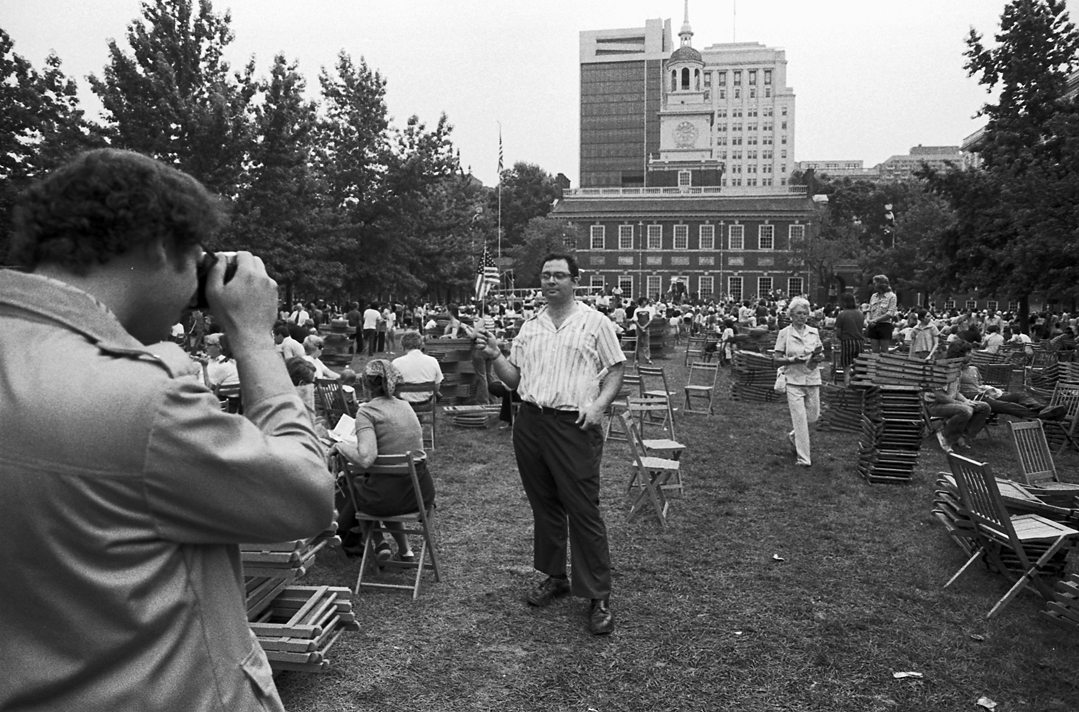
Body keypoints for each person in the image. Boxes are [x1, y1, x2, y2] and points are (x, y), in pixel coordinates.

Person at [0, 149, 333, 711]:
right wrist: (252, 334)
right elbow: (306, 496)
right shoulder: (143, 400)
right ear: (160, 246)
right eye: (196, 261)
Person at [476, 252, 625, 636]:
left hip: (574, 425)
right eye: (545, 276)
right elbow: (514, 378)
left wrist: (599, 405)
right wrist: (495, 356)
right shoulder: (530, 326)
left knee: (583, 509)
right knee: (544, 506)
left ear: (575, 280)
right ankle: (556, 576)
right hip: (531, 423)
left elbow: (616, 370)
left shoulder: (596, 323)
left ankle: (597, 595)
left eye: (559, 275)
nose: (550, 282)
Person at [332, 360, 435, 562]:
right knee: (375, 485)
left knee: (353, 485)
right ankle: (403, 551)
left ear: (365, 385)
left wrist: (340, 447)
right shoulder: (405, 406)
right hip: (420, 493)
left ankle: (373, 541)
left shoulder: (367, 412)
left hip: (387, 498)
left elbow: (366, 458)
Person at [773, 297, 824, 467]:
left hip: (812, 377)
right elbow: (776, 358)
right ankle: (804, 459)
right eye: (799, 313)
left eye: (805, 314)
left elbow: (819, 352)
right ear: (791, 315)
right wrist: (792, 360)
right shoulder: (784, 333)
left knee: (813, 416)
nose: (803, 317)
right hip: (793, 380)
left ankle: (794, 436)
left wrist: (819, 357)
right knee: (800, 420)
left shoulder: (813, 332)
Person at [923, 341, 993, 453]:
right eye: (968, 352)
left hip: (949, 402)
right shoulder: (942, 369)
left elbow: (955, 392)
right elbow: (940, 396)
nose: (972, 354)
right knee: (966, 410)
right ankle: (946, 437)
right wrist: (962, 404)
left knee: (984, 407)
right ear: (959, 355)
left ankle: (963, 436)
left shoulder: (957, 369)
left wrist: (967, 400)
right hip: (936, 405)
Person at [392, 330, 444, 404]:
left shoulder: (396, 363)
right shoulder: (432, 361)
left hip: (404, 405)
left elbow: (391, 386)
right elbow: (437, 386)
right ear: (420, 344)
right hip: (426, 403)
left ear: (403, 346)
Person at [833, 291, 865, 385]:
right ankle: (858, 387)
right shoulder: (860, 314)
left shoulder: (842, 314)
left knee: (846, 368)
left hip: (847, 342)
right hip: (859, 342)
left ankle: (847, 387)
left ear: (844, 302)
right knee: (858, 368)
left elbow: (838, 333)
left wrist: (842, 339)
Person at [866, 274, 897, 353]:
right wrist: (868, 320)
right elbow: (869, 310)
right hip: (873, 326)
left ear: (881, 284)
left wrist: (876, 320)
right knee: (875, 350)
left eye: (875, 283)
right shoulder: (874, 296)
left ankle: (883, 364)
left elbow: (890, 313)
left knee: (884, 350)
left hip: (885, 325)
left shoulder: (892, 296)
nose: (873, 285)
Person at [634, 297, 653, 365]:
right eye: (644, 301)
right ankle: (636, 358)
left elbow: (650, 319)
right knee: (637, 344)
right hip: (639, 329)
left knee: (646, 344)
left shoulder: (648, 310)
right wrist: (641, 327)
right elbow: (635, 320)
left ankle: (647, 358)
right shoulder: (636, 310)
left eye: (646, 301)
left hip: (646, 328)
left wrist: (645, 327)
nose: (645, 302)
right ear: (641, 302)